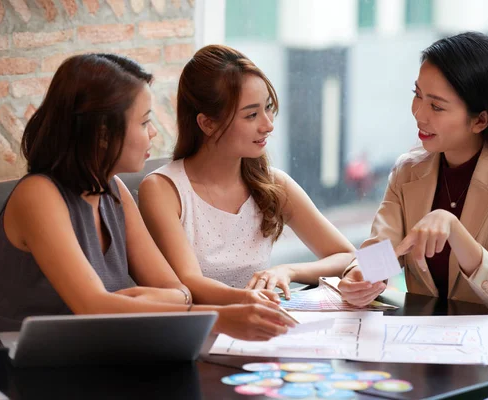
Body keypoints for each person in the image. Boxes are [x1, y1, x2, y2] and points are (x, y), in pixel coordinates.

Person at [0, 53, 295, 341]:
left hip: (95, 356)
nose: (153, 133)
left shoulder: (113, 191)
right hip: (21, 369)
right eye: (144, 122)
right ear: (102, 133)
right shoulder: (38, 195)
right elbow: (94, 308)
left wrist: (164, 297)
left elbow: (179, 290)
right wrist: (220, 317)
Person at [339, 32, 488, 315]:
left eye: (437, 106)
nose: (419, 113)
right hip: (435, 339)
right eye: (417, 95)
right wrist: (360, 276)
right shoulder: (408, 170)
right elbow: (382, 250)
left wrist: (453, 228)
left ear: (480, 120)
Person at [138, 45, 355, 305]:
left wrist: (288, 270)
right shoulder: (163, 190)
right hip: (201, 334)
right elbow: (189, 281)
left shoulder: (273, 184)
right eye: (251, 115)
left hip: (260, 326)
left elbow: (346, 255)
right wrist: (254, 300)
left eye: (268, 108)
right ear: (207, 123)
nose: (268, 124)